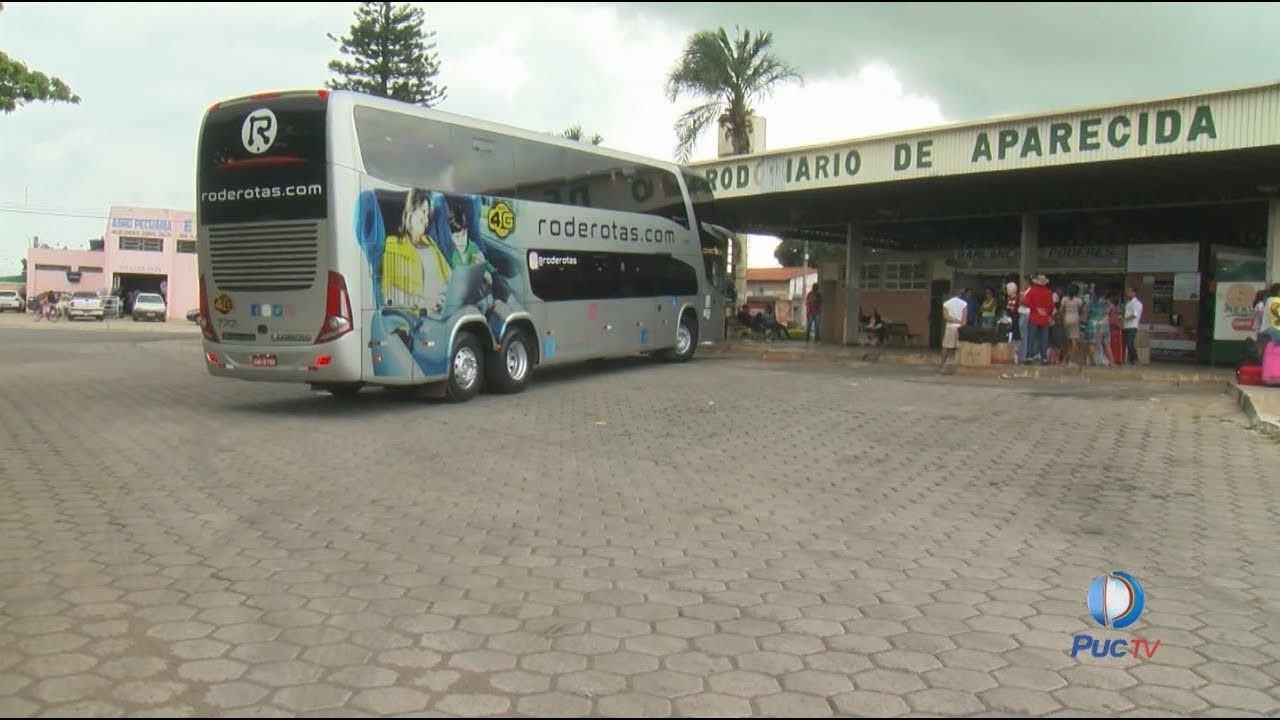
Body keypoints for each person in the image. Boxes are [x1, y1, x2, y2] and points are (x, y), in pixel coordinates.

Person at [1024, 274, 1055, 364]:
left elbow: (1026, 302)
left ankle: (1029, 357)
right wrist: (1046, 312)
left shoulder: (1032, 291)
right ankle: (1043, 357)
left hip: (1034, 316)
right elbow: (1051, 306)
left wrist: (1035, 308)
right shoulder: (1048, 292)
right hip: (1044, 317)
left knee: (1031, 338)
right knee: (1044, 339)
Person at [940, 289, 968, 369]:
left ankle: (942, 364)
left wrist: (955, 320)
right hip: (960, 327)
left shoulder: (946, 303)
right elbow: (964, 319)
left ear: (950, 295)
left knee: (945, 346)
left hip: (950, 327)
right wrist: (961, 322)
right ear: (960, 295)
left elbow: (945, 317)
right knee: (959, 347)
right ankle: (958, 365)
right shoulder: (964, 304)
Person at [1123, 287, 1144, 366]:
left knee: (1130, 343)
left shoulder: (1137, 303)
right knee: (1126, 343)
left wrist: (1125, 319)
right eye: (1128, 291)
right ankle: (1130, 360)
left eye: (1130, 291)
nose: (1128, 293)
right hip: (1126, 326)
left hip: (1132, 326)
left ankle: (1135, 359)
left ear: (1134, 293)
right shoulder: (1128, 303)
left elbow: (1134, 315)